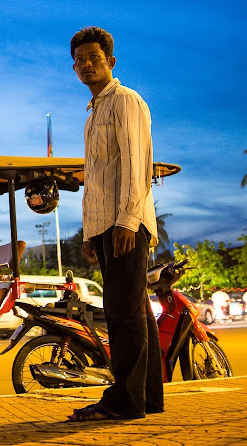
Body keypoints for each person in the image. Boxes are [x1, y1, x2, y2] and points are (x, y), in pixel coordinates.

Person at [68, 26, 163, 422]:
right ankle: (148, 399)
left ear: (111, 61)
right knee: (134, 308)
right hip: (106, 226)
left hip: (127, 223)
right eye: (79, 60)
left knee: (123, 313)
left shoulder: (126, 101)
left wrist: (126, 221)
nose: (86, 64)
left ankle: (124, 401)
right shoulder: (93, 116)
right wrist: (92, 233)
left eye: (94, 57)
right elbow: (96, 176)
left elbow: (136, 166)